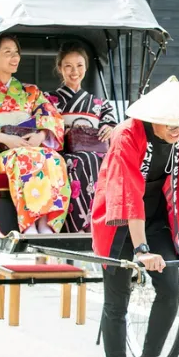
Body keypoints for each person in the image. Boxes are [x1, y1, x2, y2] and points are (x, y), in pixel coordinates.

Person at [91, 76, 179, 357]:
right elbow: (128, 194)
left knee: (171, 289)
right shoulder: (127, 135)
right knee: (117, 301)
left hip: (159, 215)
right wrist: (141, 249)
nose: (177, 130)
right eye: (171, 123)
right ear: (153, 115)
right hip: (118, 216)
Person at [0, 34, 70, 234]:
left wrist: (41, 135)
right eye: (8, 53)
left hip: (28, 147)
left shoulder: (29, 91)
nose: (15, 57)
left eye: (16, 53)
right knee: (23, 159)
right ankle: (29, 223)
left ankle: (46, 223)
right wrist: (5, 138)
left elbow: (51, 114)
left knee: (55, 159)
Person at [46, 42, 117, 233]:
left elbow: (111, 125)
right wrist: (64, 131)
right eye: (68, 66)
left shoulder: (99, 104)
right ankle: (78, 224)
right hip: (63, 153)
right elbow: (43, 128)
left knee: (100, 161)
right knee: (79, 160)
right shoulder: (49, 100)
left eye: (79, 65)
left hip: (94, 153)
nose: (74, 71)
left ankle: (101, 220)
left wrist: (109, 130)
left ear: (86, 67)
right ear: (60, 68)